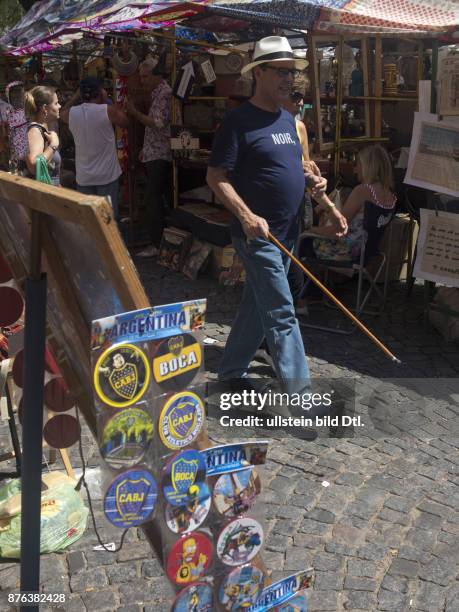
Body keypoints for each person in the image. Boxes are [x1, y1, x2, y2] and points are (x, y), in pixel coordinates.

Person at [207, 36, 347, 420]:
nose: (290, 79)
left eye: (292, 72)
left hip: (288, 232)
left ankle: (231, 370)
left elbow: (300, 171)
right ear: (260, 74)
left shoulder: (288, 120)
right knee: (282, 312)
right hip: (258, 235)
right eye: (282, 71)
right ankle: (301, 400)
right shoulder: (238, 121)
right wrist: (246, 216)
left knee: (258, 306)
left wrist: (323, 198)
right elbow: (216, 176)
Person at [282, 90, 347, 313]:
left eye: (302, 97)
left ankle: (296, 301)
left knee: (296, 251)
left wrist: (326, 203)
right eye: (295, 96)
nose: (300, 102)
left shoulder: (299, 127)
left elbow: (306, 164)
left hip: (300, 198)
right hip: (278, 202)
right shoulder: (269, 124)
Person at [305, 144, 396, 262]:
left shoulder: (363, 190)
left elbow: (337, 230)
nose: (355, 169)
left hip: (345, 251)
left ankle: (307, 280)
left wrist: (309, 229)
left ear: (368, 166)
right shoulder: (390, 195)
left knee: (302, 242)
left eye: (357, 164)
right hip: (368, 254)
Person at [60, 77, 128, 220]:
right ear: (100, 92)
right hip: (106, 176)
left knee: (89, 220)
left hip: (84, 177)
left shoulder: (72, 113)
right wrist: (107, 99)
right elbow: (125, 121)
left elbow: (62, 112)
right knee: (108, 220)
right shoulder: (108, 110)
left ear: (81, 93)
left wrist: (76, 96)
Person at [125, 58, 173, 257]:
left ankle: (157, 243)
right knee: (155, 198)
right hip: (154, 152)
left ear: (156, 75)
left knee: (155, 199)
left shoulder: (164, 94)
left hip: (160, 154)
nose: (143, 81)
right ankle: (159, 241)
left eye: (145, 77)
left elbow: (157, 124)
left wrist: (134, 112)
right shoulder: (157, 93)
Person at [24, 86, 61, 186]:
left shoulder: (42, 127)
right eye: (56, 103)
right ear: (45, 108)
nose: (60, 106)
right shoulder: (34, 130)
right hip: (42, 194)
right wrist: (53, 145)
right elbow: (33, 166)